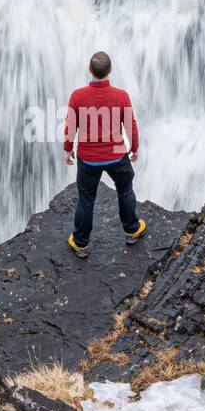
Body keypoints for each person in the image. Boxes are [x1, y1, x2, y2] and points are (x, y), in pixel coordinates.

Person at [63, 51, 146, 258]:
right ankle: (132, 230)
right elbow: (130, 125)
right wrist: (134, 148)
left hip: (88, 156)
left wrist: (67, 149)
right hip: (117, 153)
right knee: (125, 190)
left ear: (89, 70)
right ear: (110, 71)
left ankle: (80, 243)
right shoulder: (121, 96)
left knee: (86, 199)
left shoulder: (77, 96)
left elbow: (70, 126)